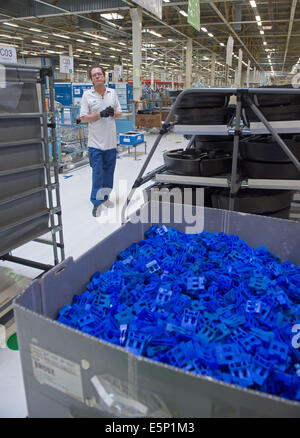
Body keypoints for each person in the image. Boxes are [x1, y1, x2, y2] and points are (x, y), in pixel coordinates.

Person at [80, 64, 122, 217]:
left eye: (99, 74)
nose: (97, 76)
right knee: (97, 173)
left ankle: (105, 198)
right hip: (95, 144)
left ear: (104, 76)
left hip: (110, 142)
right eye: (94, 75)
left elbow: (120, 113)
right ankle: (96, 203)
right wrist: (100, 114)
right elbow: (83, 118)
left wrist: (113, 113)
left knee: (109, 173)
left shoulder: (112, 93)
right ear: (91, 79)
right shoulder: (87, 95)